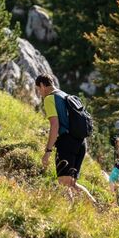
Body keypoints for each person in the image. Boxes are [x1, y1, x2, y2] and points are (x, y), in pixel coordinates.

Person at [35, 75, 95, 203]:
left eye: (39, 90)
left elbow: (54, 125)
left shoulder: (50, 98)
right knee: (71, 183)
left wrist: (48, 151)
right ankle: (95, 207)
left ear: (42, 85)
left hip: (67, 142)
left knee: (63, 182)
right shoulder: (65, 95)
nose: (40, 93)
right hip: (81, 142)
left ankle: (69, 213)